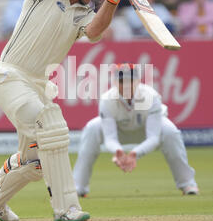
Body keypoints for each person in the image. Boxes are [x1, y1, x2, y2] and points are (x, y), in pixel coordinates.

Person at [0, 0, 141, 221]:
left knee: (36, 162)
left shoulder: (83, 12)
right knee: (53, 128)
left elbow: (96, 31)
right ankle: (66, 209)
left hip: (38, 86)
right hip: (9, 76)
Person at [73, 63, 199, 197]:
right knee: (92, 128)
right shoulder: (106, 100)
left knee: (170, 132)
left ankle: (187, 184)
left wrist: (135, 154)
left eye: (130, 81)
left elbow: (153, 138)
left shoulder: (151, 97)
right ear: (115, 82)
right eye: (122, 81)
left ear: (138, 81)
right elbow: (110, 138)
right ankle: (78, 187)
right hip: (119, 130)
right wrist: (118, 151)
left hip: (146, 130)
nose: (126, 85)